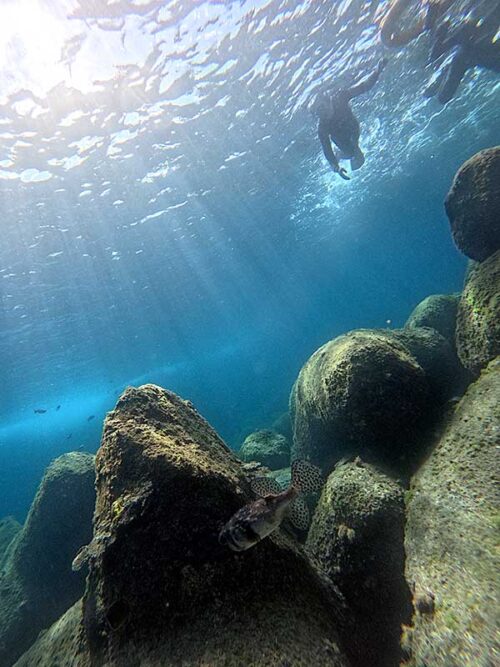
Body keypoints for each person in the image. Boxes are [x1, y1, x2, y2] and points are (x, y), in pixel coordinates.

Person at [312, 57, 388, 180]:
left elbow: (364, 86)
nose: (323, 114)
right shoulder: (322, 126)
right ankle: (342, 155)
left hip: (352, 129)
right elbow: (327, 149)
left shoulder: (340, 98)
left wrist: (377, 71)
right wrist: (335, 167)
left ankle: (343, 154)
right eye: (319, 113)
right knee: (352, 152)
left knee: (354, 150)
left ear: (329, 101)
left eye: (323, 108)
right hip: (341, 140)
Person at [424, 5, 500, 103]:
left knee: (461, 56)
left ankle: (432, 90)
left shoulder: (463, 41)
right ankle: (433, 90)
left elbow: (436, 53)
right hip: (474, 52)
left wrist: (441, 32)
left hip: (475, 51)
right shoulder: (464, 43)